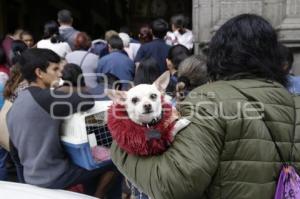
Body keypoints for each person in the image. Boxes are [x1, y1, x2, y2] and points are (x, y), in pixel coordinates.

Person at [111, 14, 300, 199]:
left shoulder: (208, 101)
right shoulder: (296, 102)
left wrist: (121, 147)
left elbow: (173, 185)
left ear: (218, 56)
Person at [6, 48, 121, 198]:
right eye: (55, 68)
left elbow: (15, 153)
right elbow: (87, 101)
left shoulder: (17, 103)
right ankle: (98, 195)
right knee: (116, 161)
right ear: (39, 73)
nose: (60, 73)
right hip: (55, 176)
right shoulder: (47, 97)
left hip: (30, 176)